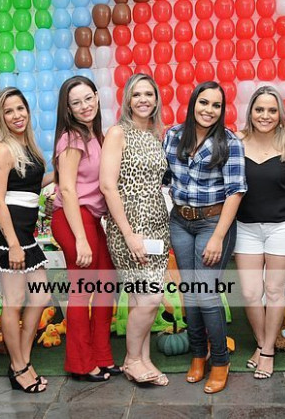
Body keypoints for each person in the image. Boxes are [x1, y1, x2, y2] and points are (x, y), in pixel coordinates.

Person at [163, 81, 246, 394]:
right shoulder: (172, 136)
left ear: (222, 110)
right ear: (193, 103)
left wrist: (218, 237)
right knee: (190, 292)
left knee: (207, 294)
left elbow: (236, 192)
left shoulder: (229, 142)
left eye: (216, 105)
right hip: (180, 222)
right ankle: (199, 354)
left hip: (214, 223)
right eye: (204, 102)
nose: (209, 110)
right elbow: (164, 178)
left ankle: (221, 361)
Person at [0, 87, 53, 394]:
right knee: (13, 301)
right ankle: (20, 367)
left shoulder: (28, 146)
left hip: (25, 233)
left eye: (20, 108)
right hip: (8, 235)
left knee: (41, 296)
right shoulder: (1, 150)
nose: (16, 115)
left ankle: (21, 360)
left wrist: (59, 173)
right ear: (0, 117)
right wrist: (12, 244)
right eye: (8, 111)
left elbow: (30, 187)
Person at [100, 74, 169, 386]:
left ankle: (144, 359)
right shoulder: (118, 133)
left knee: (144, 299)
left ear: (156, 99)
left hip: (157, 226)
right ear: (127, 99)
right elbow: (107, 185)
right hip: (129, 227)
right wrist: (129, 234)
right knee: (150, 299)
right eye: (137, 94)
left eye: (149, 94)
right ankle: (131, 360)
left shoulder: (155, 135)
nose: (143, 99)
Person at [50, 76, 119, 382]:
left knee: (106, 286)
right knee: (83, 291)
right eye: (76, 103)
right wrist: (80, 239)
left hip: (91, 218)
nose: (84, 106)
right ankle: (80, 363)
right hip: (73, 219)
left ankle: (102, 356)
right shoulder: (72, 138)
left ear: (97, 97)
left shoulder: (97, 135)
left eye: (88, 98)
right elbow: (66, 189)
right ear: (68, 109)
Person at [234, 86, 285, 380]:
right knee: (251, 293)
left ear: (280, 114)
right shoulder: (236, 141)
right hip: (245, 227)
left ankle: (266, 352)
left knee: (274, 291)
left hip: (284, 226)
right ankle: (264, 344)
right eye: (259, 109)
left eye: (272, 110)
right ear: (251, 111)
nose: (265, 115)